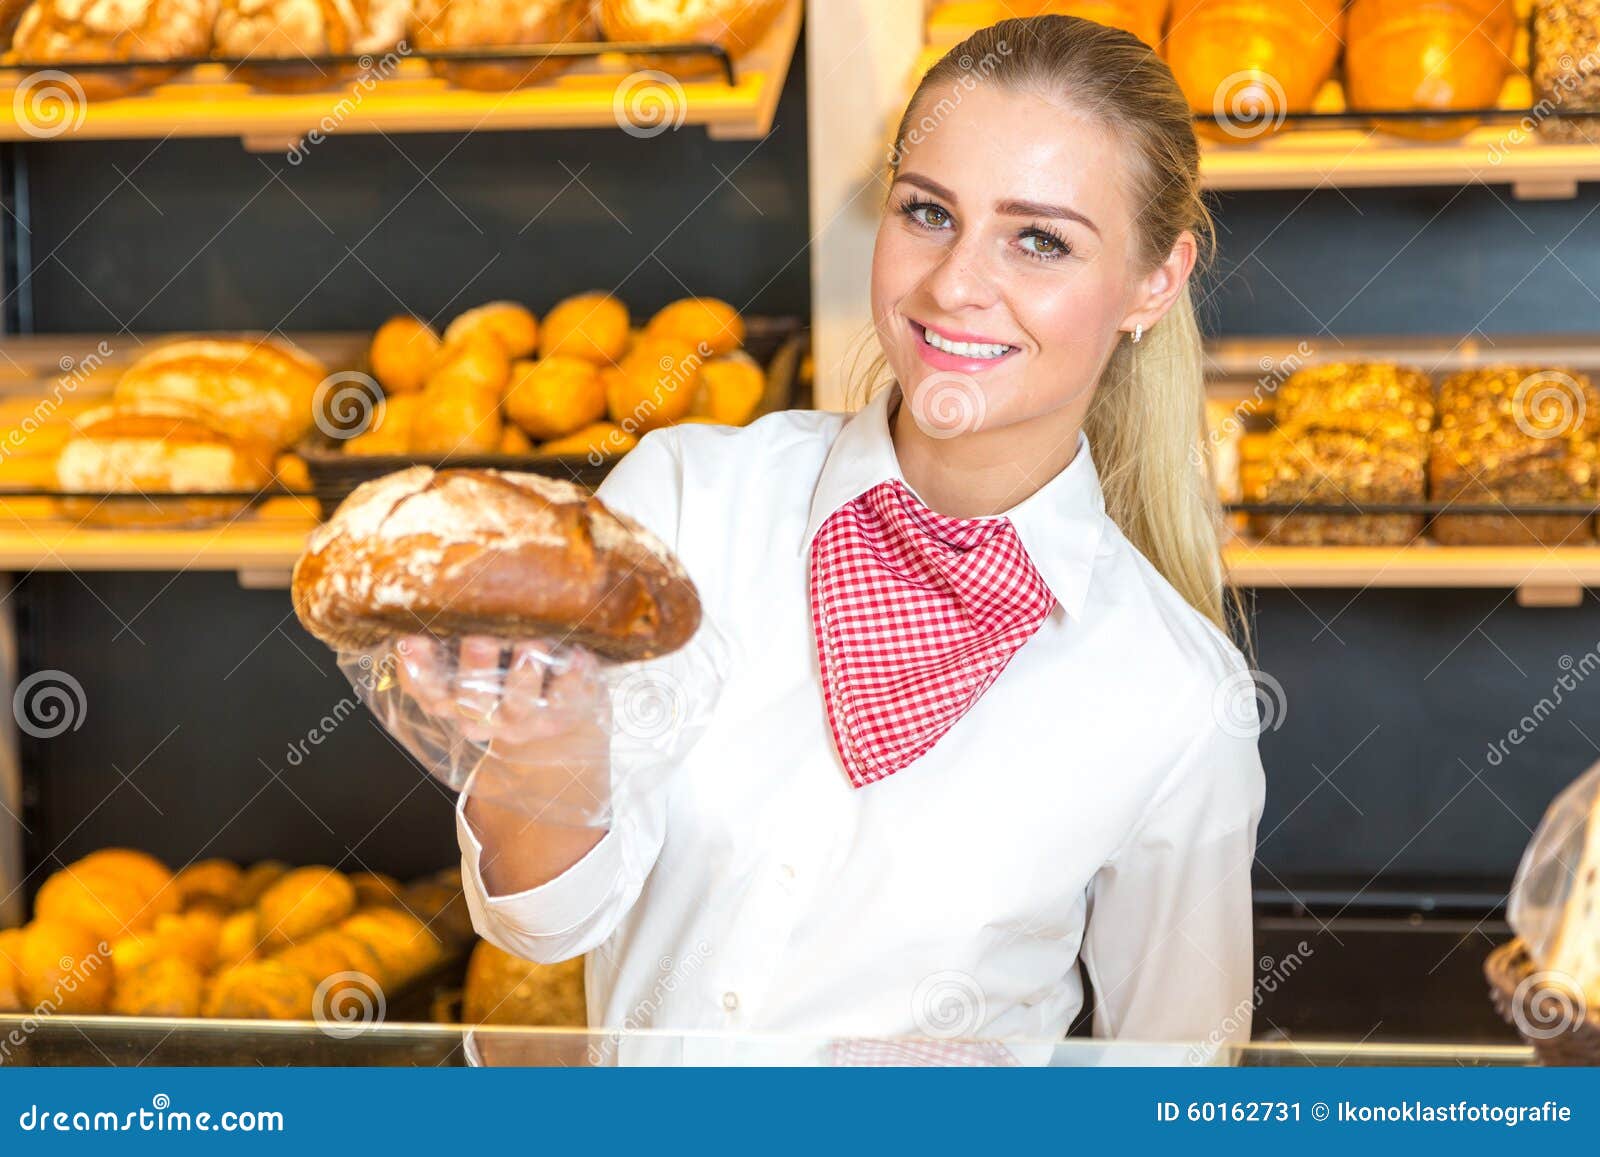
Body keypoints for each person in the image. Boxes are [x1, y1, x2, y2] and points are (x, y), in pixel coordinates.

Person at [394, 15, 1267, 1054]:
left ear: (1153, 283)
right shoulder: (682, 507)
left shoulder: (1173, 697)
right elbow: (543, 923)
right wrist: (544, 748)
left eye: (1040, 239)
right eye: (927, 212)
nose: (954, 284)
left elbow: (1168, 1080)